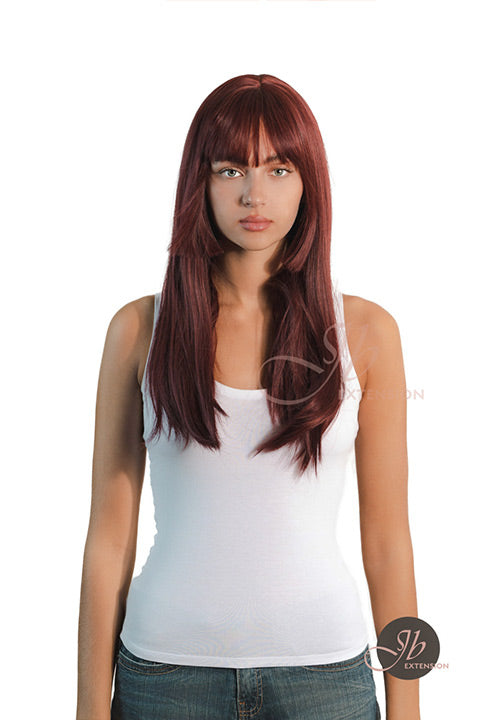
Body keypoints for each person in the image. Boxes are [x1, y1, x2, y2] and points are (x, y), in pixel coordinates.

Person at [76, 74, 420, 720]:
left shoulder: (368, 333)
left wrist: (410, 708)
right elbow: (107, 540)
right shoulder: (139, 330)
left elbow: (388, 542)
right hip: (166, 680)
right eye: (231, 169)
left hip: (325, 682)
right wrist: (88, 710)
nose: (254, 194)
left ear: (308, 182)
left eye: (279, 169)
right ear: (200, 182)